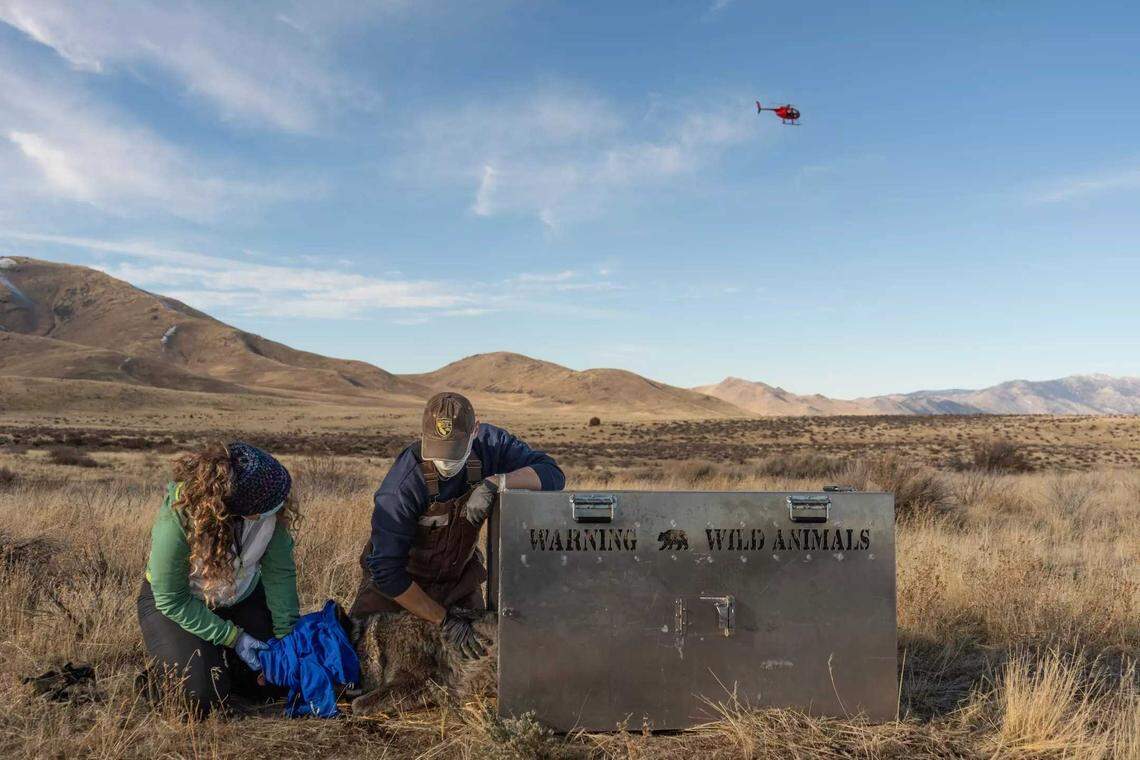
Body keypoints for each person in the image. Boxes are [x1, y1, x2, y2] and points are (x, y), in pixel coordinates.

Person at [350, 392, 564, 658]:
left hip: (459, 583)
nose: (445, 464)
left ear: (475, 431)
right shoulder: (401, 487)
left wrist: (497, 483)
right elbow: (386, 571)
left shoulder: (491, 445)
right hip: (398, 593)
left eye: (453, 454)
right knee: (362, 665)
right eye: (438, 453)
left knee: (487, 661)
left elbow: (552, 474)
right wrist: (444, 621)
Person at [137, 441, 300, 716]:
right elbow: (171, 599)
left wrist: (287, 640)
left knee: (276, 681)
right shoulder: (177, 519)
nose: (281, 503)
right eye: (272, 501)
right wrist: (234, 638)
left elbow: (279, 576)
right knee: (202, 698)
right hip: (179, 604)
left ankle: (224, 666)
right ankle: (165, 673)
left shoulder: (270, 514)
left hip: (241, 597)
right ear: (241, 505)